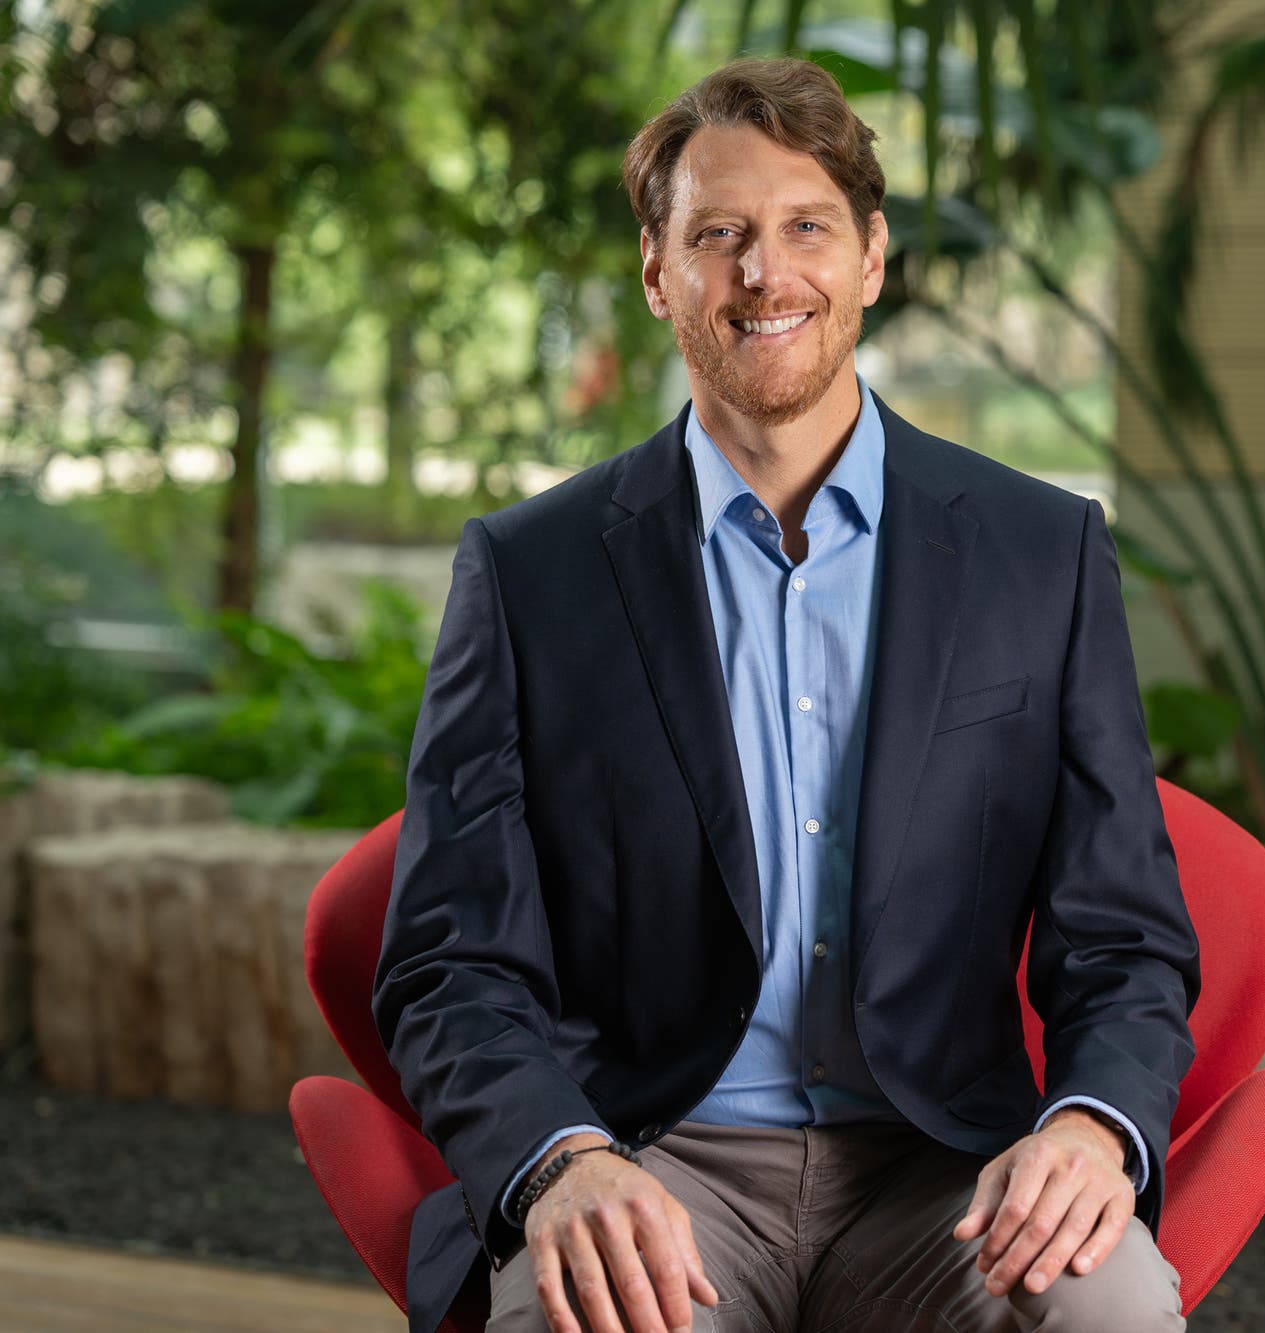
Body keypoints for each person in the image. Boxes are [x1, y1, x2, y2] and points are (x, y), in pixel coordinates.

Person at [373, 55, 1199, 1333]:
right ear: (659, 276)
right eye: (719, 236)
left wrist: (1090, 1127)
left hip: (944, 1173)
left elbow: (1125, 935)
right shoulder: (529, 572)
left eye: (805, 227)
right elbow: (447, 957)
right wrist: (561, 1162)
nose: (765, 274)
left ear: (870, 257)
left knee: (1109, 1315)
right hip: (655, 1160)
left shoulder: (1042, 553)